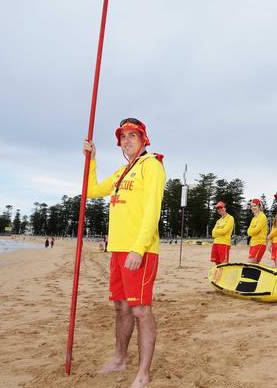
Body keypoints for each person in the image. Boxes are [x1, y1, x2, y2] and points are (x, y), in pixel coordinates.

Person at [83, 117, 166, 388]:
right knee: (120, 306)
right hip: (118, 249)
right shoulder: (122, 171)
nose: (127, 139)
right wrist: (91, 159)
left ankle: (143, 373)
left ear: (144, 140)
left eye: (133, 135)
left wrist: (139, 249)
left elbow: (153, 211)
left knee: (141, 309)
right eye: (123, 136)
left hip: (138, 250)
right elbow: (92, 190)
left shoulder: (151, 165)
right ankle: (120, 359)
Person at [246, 199, 268, 263]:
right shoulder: (254, 218)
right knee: (252, 266)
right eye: (252, 206)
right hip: (252, 243)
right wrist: (251, 232)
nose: (253, 208)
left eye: (255, 206)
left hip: (260, 243)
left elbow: (255, 231)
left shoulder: (262, 217)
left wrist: (252, 231)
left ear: (259, 206)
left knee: (251, 263)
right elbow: (248, 232)